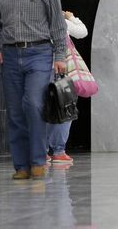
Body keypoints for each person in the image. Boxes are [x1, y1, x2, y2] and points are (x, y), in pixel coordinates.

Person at [0, 0, 67, 180]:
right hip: (11, 55)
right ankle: (21, 166)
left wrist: (60, 56)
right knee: (14, 112)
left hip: (40, 53)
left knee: (33, 104)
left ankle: (38, 161)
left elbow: (58, 25)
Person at [46, 10, 88, 164]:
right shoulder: (60, 21)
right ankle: (58, 151)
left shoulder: (36, 19)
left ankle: (42, 151)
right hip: (62, 69)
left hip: (39, 70)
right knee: (65, 108)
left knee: (42, 109)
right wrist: (71, 17)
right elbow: (82, 32)